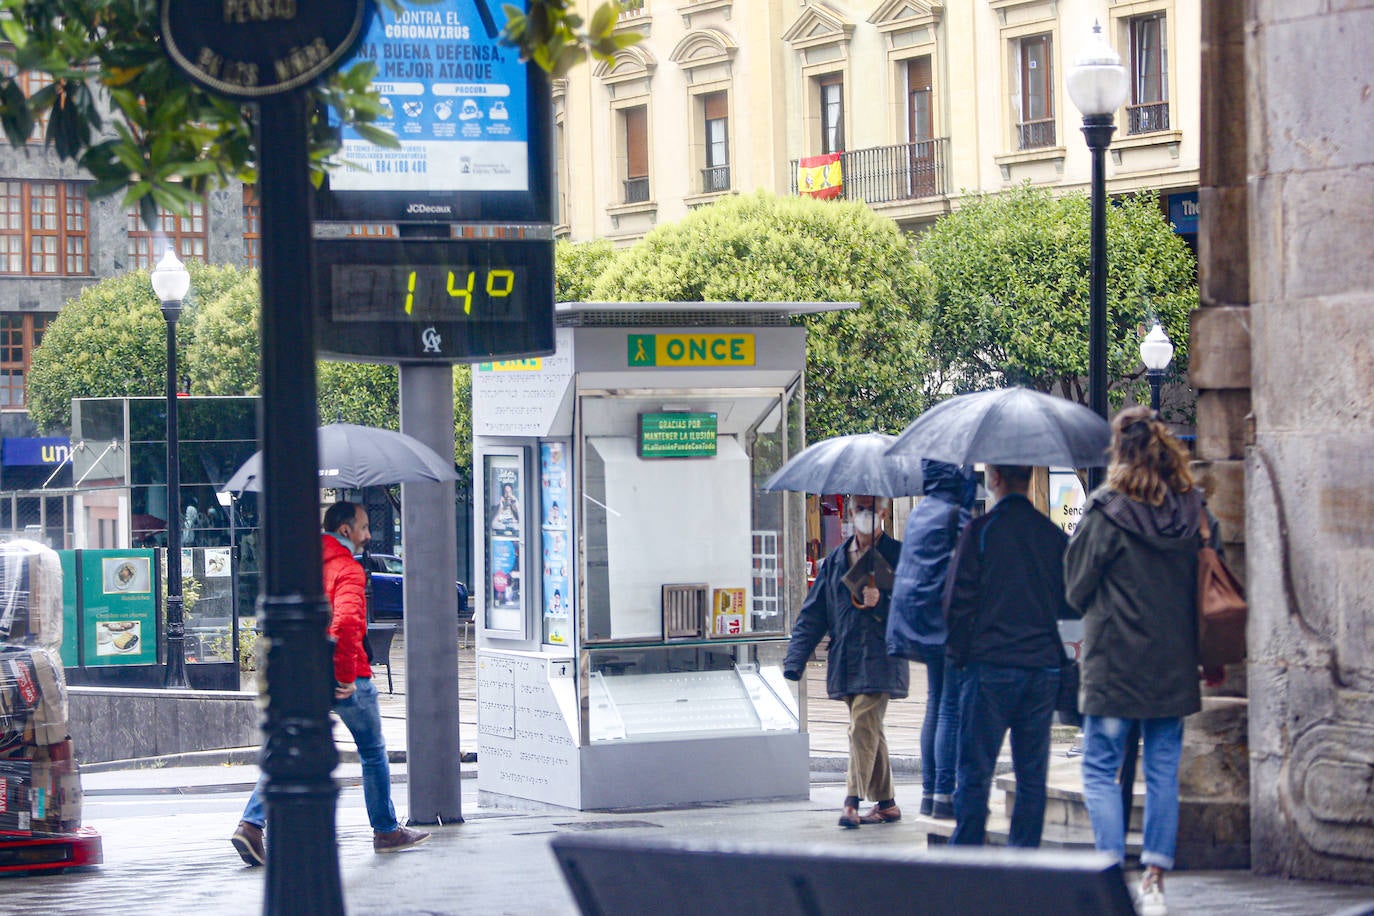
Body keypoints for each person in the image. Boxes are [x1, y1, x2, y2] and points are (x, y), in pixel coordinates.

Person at [1064, 407, 1214, 916]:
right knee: (1164, 770)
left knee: (1101, 768)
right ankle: (1154, 880)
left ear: (1119, 452)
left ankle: (1110, 874)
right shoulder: (1191, 507)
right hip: (1173, 662)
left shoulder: (1106, 509)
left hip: (1114, 663)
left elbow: (1076, 587)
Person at [231, 501, 430, 866]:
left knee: (287, 747)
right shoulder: (348, 569)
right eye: (364, 527)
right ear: (345, 531)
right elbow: (348, 623)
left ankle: (251, 824)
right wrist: (343, 677)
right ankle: (386, 831)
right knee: (372, 752)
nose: (368, 535)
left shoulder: (301, 564)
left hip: (303, 672)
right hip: (347, 674)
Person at [943, 465, 1067, 848]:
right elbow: (1071, 608)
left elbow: (955, 604)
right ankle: (1022, 864)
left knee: (975, 771)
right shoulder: (1053, 537)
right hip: (1042, 668)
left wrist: (960, 657)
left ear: (993, 478)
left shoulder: (980, 533)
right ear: (1028, 477)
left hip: (991, 667)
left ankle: (967, 856)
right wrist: (1064, 664)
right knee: (1032, 775)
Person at [784, 495, 908, 828]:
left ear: (883, 512)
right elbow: (814, 613)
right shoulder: (836, 560)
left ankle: (851, 800)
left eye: (872, 508)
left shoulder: (898, 555)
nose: (865, 515)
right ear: (850, 513)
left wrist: (883, 600)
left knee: (861, 728)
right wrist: (795, 659)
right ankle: (888, 803)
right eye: (860, 509)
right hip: (847, 660)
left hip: (882, 658)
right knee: (869, 730)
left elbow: (916, 604)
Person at [887, 460, 978, 819]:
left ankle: (929, 792)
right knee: (951, 705)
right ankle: (944, 791)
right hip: (943, 620)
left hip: (916, 618)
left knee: (936, 701)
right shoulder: (955, 513)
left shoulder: (922, 510)